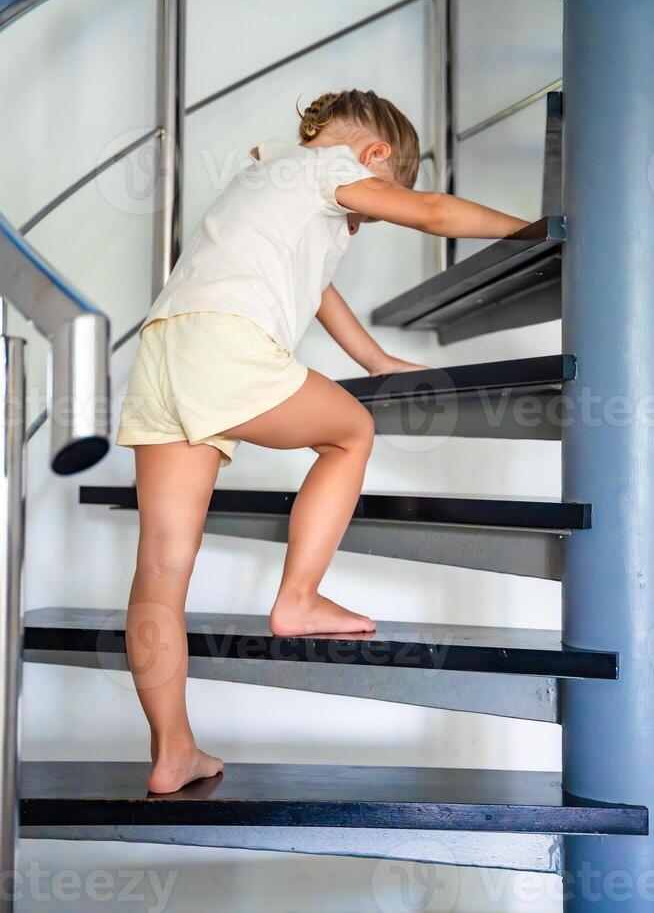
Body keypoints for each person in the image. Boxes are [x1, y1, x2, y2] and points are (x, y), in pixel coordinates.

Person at [116, 89, 529, 793]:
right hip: (227, 342)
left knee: (161, 567)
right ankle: (299, 595)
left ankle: (173, 751)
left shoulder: (265, 180)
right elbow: (431, 211)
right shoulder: (326, 169)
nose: (363, 220)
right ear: (374, 157)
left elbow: (317, 290)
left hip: (162, 352)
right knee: (351, 433)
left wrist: (371, 358)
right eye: (373, 202)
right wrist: (541, 231)